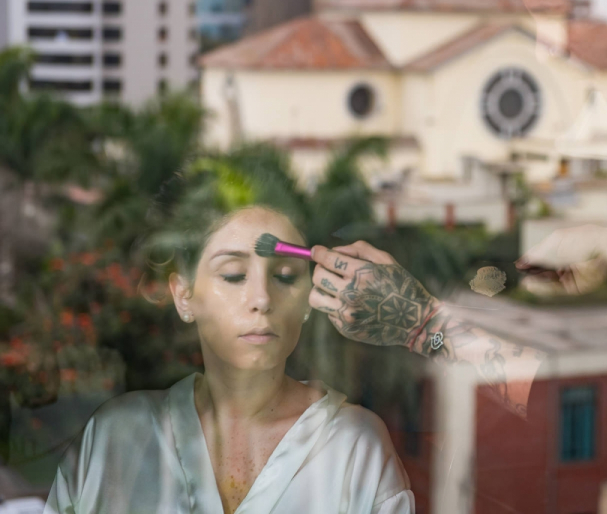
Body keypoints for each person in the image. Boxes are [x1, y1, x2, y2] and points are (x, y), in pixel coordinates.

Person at [44, 205, 414, 514]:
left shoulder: (354, 446)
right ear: (184, 296)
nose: (262, 298)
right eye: (234, 275)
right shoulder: (116, 436)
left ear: (307, 301)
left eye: (285, 277)